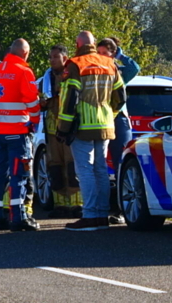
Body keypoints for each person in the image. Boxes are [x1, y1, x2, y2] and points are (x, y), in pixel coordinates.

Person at [58, 31, 123, 231]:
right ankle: (102, 215)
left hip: (82, 125)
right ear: (94, 44)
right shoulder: (110, 63)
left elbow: (70, 99)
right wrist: (109, 114)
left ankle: (90, 215)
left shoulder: (75, 64)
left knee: (84, 170)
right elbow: (121, 96)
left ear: (78, 44)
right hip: (104, 124)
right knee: (101, 170)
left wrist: (64, 127)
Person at [0, 38, 41, 232]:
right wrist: (35, 122)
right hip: (19, 132)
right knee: (19, 175)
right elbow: (32, 102)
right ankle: (18, 217)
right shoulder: (23, 72)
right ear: (25, 54)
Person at [40, 44, 82, 217]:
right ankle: (60, 205)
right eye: (50, 57)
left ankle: (76, 204)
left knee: (72, 166)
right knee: (55, 167)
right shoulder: (45, 78)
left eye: (55, 57)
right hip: (52, 130)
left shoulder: (71, 74)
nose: (51, 60)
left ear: (65, 58)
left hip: (69, 130)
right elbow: (40, 99)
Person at [97, 37, 140, 165]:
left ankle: (121, 183)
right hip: (101, 118)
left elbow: (135, 68)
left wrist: (121, 56)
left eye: (105, 53)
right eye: (99, 53)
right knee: (99, 159)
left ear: (113, 54)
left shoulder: (120, 72)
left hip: (119, 118)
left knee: (121, 159)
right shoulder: (95, 72)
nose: (101, 56)